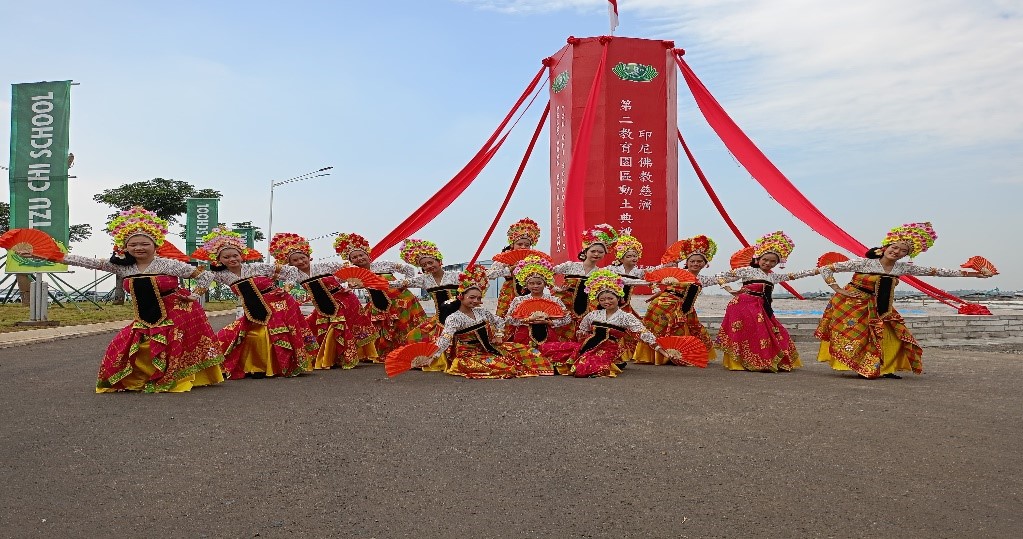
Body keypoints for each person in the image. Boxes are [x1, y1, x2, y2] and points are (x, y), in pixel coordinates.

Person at [16, 206, 224, 393]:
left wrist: (193, 295)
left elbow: (206, 276)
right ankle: (139, 379)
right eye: (133, 244)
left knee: (173, 347)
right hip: (144, 315)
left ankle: (173, 379)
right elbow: (85, 261)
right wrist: (44, 255)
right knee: (129, 346)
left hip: (176, 312)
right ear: (125, 247)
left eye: (144, 243)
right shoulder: (122, 266)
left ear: (155, 244)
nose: (139, 248)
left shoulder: (169, 264)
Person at [815, 222, 993, 379]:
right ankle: (864, 366)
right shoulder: (864, 263)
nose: (897, 252)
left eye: (903, 251)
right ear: (886, 246)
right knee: (858, 338)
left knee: (894, 335)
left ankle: (886, 368)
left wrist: (976, 274)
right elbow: (826, 269)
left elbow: (938, 271)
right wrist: (838, 289)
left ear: (906, 254)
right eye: (895, 247)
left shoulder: (901, 267)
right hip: (852, 305)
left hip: (881, 307)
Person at [199, 226, 314, 379]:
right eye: (226, 257)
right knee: (232, 335)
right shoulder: (222, 276)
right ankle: (255, 366)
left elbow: (292, 271)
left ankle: (276, 366)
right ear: (218, 260)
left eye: (235, 255)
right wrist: (193, 295)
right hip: (254, 308)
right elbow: (201, 280)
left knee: (268, 334)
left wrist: (286, 288)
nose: (232, 259)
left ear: (241, 255)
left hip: (280, 303)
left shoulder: (258, 267)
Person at [411, 265, 554, 378]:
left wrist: (499, 334)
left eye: (479, 298)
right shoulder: (454, 318)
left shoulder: (482, 311)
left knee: (528, 352)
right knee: (504, 365)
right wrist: (433, 357)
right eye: (472, 297)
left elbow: (499, 321)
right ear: (461, 297)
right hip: (467, 355)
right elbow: (445, 339)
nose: (476, 301)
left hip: (488, 347)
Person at [713, 231, 818, 373]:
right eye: (765, 260)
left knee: (778, 334)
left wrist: (815, 271)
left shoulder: (772, 276)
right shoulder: (748, 271)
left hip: (763, 308)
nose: (768, 263)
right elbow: (720, 276)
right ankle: (743, 363)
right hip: (742, 306)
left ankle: (764, 361)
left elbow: (793, 275)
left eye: (772, 261)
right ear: (759, 258)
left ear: (777, 263)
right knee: (746, 334)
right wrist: (730, 289)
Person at [270, 232, 376, 370]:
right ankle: (330, 358)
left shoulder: (324, 266)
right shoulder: (294, 274)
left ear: (308, 256)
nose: (300, 262)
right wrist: (284, 289)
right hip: (321, 305)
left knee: (339, 326)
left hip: (344, 299)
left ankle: (344, 357)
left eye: (302, 258)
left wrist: (347, 284)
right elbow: (284, 281)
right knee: (319, 328)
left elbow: (350, 271)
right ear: (290, 263)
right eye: (295, 261)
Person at [540, 269, 668, 378]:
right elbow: (582, 330)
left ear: (618, 298)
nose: (607, 302)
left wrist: (660, 349)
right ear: (598, 301)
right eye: (602, 299)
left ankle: (608, 362)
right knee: (550, 350)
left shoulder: (626, 317)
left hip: (609, 348)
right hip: (588, 344)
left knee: (586, 368)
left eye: (610, 298)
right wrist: (582, 342)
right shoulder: (593, 315)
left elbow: (643, 333)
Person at [333, 232, 426, 359]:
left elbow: (409, 270)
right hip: (379, 305)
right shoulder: (354, 274)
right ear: (351, 261)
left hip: (402, 301)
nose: (359, 258)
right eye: (354, 257)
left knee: (405, 328)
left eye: (361, 255)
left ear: (368, 255)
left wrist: (405, 283)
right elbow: (339, 283)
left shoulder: (384, 264)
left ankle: (410, 352)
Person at [633, 235, 720, 366]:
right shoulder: (675, 272)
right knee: (656, 330)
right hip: (662, 306)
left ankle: (678, 355)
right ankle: (655, 356)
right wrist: (659, 287)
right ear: (687, 262)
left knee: (689, 329)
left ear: (705, 264)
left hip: (685, 307)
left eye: (699, 261)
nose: (695, 264)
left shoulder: (703, 279)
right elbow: (653, 279)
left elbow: (722, 278)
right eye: (692, 261)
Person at [551, 224, 645, 340]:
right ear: (585, 251)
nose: (596, 254)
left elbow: (621, 280)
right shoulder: (570, 265)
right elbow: (547, 273)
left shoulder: (601, 272)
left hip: (587, 305)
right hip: (566, 302)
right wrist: (555, 288)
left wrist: (646, 282)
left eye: (600, 252)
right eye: (593, 251)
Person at [390, 238, 460, 371]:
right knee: (413, 336)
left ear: (439, 261)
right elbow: (400, 283)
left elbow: (476, 282)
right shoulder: (424, 279)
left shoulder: (455, 276)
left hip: (459, 317)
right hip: (439, 319)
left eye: (430, 262)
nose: (428, 266)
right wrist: (374, 283)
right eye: (424, 265)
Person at [503, 255, 571, 351]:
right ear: (526, 285)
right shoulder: (518, 300)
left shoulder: (554, 300)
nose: (535, 286)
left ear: (545, 284)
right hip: (523, 336)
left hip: (549, 336)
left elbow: (567, 318)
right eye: (531, 283)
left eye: (539, 283)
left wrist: (550, 322)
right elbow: (508, 319)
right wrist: (527, 320)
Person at [488, 217, 542, 317]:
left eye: (527, 245)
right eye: (519, 244)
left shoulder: (534, 258)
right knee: (507, 317)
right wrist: (509, 270)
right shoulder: (505, 258)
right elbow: (489, 274)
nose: (523, 247)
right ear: (512, 244)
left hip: (530, 292)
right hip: (509, 292)